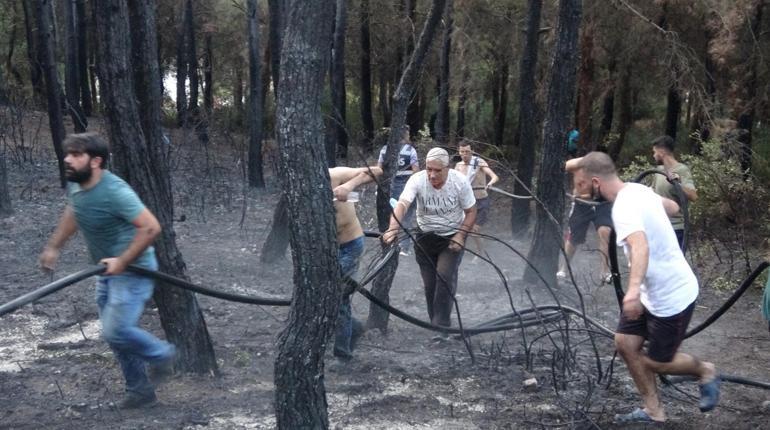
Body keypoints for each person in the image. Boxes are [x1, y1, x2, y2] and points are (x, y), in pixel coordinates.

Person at [569, 152, 719, 424]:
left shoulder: (623, 209)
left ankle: (705, 370)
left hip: (671, 297)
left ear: (596, 182)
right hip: (650, 293)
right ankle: (653, 411)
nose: (580, 192)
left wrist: (633, 291)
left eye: (582, 186)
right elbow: (673, 208)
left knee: (658, 362)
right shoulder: (639, 190)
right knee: (625, 343)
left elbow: (640, 246)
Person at [38, 133, 176, 409]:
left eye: (76, 155)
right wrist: (54, 247)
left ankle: (163, 355)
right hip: (106, 271)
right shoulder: (78, 185)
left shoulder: (115, 192)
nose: (67, 159)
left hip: (134, 270)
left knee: (116, 330)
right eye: (68, 153)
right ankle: (140, 392)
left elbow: (151, 227)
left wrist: (123, 261)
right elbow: (74, 212)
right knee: (117, 337)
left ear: (96, 161)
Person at [382, 147, 476, 340]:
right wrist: (393, 227)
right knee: (429, 285)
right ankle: (435, 320)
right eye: (429, 169)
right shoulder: (417, 180)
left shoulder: (459, 182)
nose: (432, 175)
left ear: (447, 168)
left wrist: (460, 235)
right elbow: (402, 204)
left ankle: (441, 327)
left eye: (437, 170)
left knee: (444, 277)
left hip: (450, 238)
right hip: (424, 238)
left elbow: (472, 211)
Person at [330, 165, 383, 359]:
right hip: (325, 251)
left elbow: (377, 170)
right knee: (327, 296)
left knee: (337, 295)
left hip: (349, 246)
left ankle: (342, 352)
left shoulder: (334, 175)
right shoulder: (299, 187)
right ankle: (355, 327)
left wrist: (349, 185)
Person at [453, 140, 499, 260]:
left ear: (472, 151)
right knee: (462, 227)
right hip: (465, 202)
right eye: (462, 152)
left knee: (474, 230)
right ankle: (458, 250)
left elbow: (494, 176)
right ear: (459, 152)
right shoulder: (458, 166)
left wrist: (490, 183)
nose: (464, 154)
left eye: (467, 151)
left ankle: (480, 253)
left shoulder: (478, 162)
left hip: (480, 201)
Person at [649, 135, 697, 249]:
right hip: (658, 227)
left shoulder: (682, 170)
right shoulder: (659, 171)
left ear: (661, 152)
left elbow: (694, 196)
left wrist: (677, 183)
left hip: (676, 229)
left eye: (654, 152)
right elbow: (654, 194)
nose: (653, 155)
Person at [378, 126, 420, 255]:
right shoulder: (410, 150)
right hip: (406, 187)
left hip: (390, 187)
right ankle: (404, 247)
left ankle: (389, 242)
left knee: (390, 215)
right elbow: (416, 171)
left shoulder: (385, 149)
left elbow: (378, 169)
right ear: (405, 134)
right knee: (406, 217)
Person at [556, 197, 613, 284]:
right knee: (574, 237)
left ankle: (604, 271)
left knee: (605, 232)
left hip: (603, 202)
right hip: (582, 202)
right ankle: (564, 268)